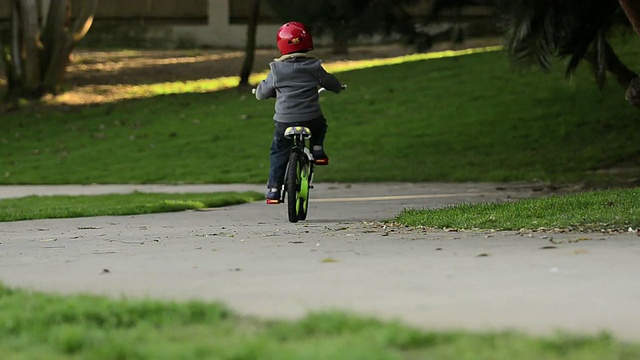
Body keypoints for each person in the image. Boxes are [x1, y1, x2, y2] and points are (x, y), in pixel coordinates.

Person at [255, 21, 344, 204]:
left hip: (284, 122)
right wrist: (338, 88)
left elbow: (262, 93)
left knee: (278, 152)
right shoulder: (314, 67)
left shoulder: (276, 70)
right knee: (321, 126)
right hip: (311, 118)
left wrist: (263, 91)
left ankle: (273, 190)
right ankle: (317, 149)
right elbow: (331, 83)